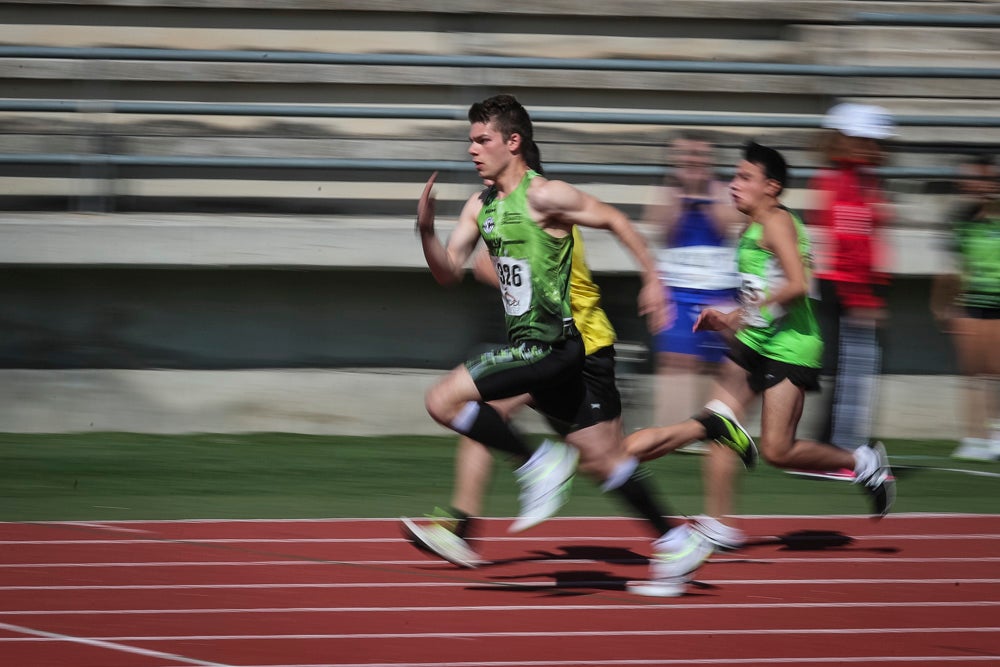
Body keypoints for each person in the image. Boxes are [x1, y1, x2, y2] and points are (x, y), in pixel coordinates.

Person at [412, 94, 744, 595]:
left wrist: (653, 280)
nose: (471, 151)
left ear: (513, 142)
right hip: (542, 345)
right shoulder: (483, 206)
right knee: (601, 456)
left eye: (482, 140)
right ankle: (677, 536)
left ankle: (506, 491)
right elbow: (450, 270)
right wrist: (424, 230)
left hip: (581, 344)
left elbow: (613, 219)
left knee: (483, 407)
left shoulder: (546, 198)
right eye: (470, 141)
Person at [623, 141, 896, 530]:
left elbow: (799, 284)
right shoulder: (750, 225)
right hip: (754, 341)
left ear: (771, 187)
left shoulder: (777, 223)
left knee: (777, 451)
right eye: (735, 175)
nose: (733, 184)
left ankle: (862, 462)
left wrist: (737, 315)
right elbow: (763, 288)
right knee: (720, 423)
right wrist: (730, 318)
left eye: (744, 177)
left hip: (790, 348)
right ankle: (718, 522)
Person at [793, 103, 896, 481]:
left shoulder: (861, 179)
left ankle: (835, 451)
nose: (880, 149)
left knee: (854, 372)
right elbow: (849, 241)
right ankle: (837, 455)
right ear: (853, 140)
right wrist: (863, 297)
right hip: (845, 288)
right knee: (852, 371)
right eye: (872, 141)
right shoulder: (843, 180)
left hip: (852, 287)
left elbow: (865, 241)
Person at [642, 134, 744, 447]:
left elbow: (729, 225)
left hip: (718, 289)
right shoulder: (669, 193)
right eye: (687, 158)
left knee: (726, 361)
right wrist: (683, 196)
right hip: (679, 289)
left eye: (700, 157)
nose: (694, 164)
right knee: (676, 360)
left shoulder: (721, 191)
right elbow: (659, 227)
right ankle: (672, 432)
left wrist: (704, 195)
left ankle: (717, 426)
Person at [931, 154, 1000, 461]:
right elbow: (954, 268)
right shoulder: (961, 220)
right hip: (971, 301)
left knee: (997, 371)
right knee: (972, 372)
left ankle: (997, 433)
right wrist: (943, 303)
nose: (970, 184)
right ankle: (973, 437)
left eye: (977, 177)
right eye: (967, 178)